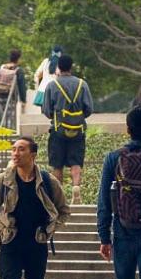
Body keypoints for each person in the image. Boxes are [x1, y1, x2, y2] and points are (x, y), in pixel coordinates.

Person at [0, 136, 70, 279]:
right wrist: (2, 227)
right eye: (13, 149)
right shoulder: (2, 180)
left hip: (37, 243)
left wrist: (50, 229)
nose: (15, 153)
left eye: (21, 149)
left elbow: (64, 211)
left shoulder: (49, 181)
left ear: (33, 155)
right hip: (10, 242)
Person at [97, 105, 141, 279]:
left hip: (123, 232)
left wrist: (104, 237)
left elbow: (104, 201)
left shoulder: (113, 158)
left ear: (127, 129)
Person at [42, 54, 93, 204]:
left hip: (58, 130)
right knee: (76, 162)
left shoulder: (52, 85)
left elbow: (46, 110)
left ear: (59, 67)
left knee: (57, 164)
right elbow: (89, 109)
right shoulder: (82, 84)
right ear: (71, 67)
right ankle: (76, 188)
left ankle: (60, 195)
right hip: (78, 130)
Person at [0, 49, 27, 128]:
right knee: (11, 119)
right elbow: (22, 87)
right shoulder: (18, 70)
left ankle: (3, 132)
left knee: (2, 117)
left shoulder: (2, 67)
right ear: (18, 59)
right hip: (11, 98)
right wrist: (23, 101)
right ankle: (9, 135)